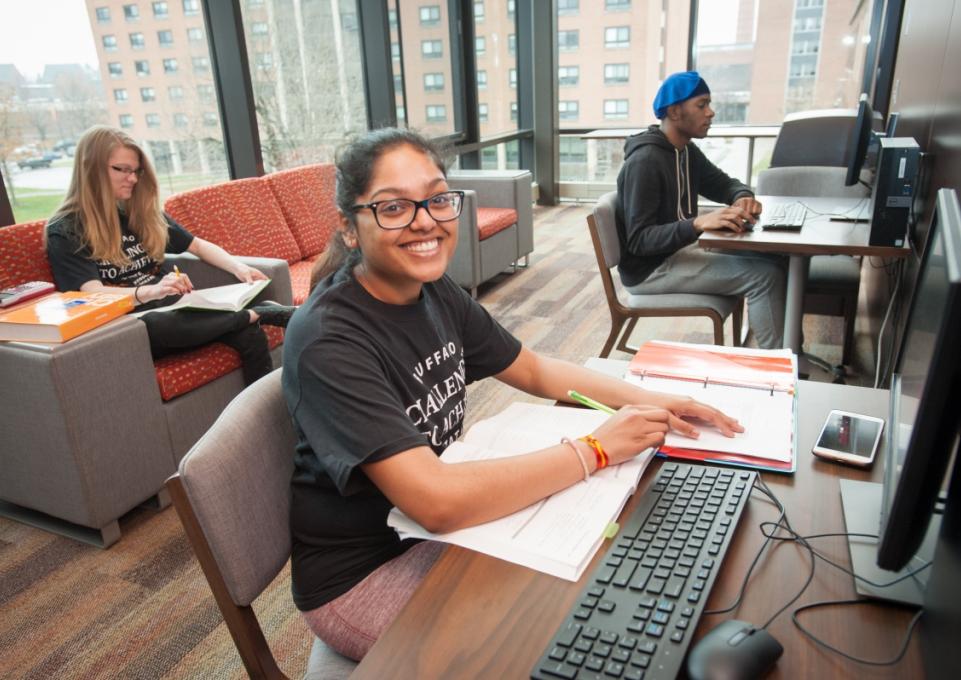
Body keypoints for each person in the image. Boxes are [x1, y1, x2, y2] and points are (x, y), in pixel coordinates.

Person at [283, 127, 746, 661]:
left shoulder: (431, 289)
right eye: (393, 208)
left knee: (612, 582)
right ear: (349, 228)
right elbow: (435, 501)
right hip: (366, 571)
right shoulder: (330, 339)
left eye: (436, 199)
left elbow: (532, 369)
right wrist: (595, 450)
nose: (425, 221)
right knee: (555, 641)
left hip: (435, 531)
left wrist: (651, 398)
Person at [45, 125, 294, 385]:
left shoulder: (137, 213)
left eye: (136, 171)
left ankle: (264, 411)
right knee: (155, 324)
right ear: (90, 169)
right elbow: (92, 293)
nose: (132, 179)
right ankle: (259, 313)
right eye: (122, 169)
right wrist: (151, 292)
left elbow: (196, 246)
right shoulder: (65, 229)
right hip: (132, 324)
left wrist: (238, 268)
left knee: (248, 334)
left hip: (176, 309)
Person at [615, 71, 787, 349]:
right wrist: (697, 224)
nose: (711, 112)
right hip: (651, 270)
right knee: (765, 277)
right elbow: (639, 240)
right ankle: (775, 365)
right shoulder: (645, 161)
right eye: (702, 105)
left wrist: (742, 196)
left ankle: (788, 349)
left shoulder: (685, 151)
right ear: (674, 111)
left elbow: (723, 184)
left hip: (679, 251)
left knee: (776, 259)